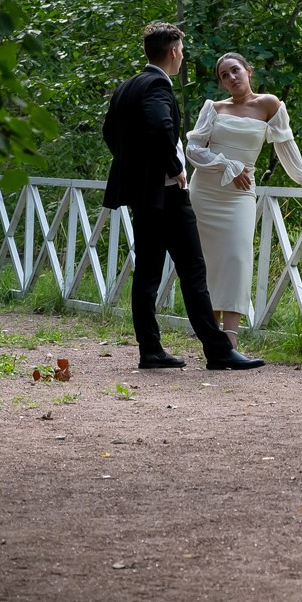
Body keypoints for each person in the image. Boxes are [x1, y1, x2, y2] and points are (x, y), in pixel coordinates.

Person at [101, 23, 267, 371]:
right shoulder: (159, 86)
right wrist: (172, 166)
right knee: (193, 270)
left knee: (147, 273)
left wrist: (136, 170)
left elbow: (109, 131)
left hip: (143, 195)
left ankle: (150, 349)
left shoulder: (128, 86)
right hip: (168, 196)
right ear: (174, 51)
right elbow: (161, 126)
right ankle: (218, 350)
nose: (182, 56)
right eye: (182, 50)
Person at [185, 52, 302, 349]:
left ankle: (231, 340)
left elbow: (286, 147)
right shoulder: (213, 108)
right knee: (207, 264)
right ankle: (211, 339)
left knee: (237, 259)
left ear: (248, 71)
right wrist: (228, 165)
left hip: (239, 195)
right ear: (221, 83)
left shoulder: (269, 104)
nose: (231, 77)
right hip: (206, 192)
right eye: (224, 75)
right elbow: (194, 150)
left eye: (235, 70)